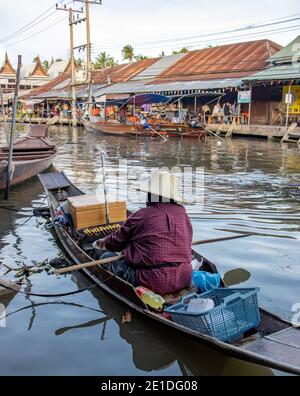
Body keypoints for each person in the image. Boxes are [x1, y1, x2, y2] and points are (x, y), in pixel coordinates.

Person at [93, 171, 193, 295]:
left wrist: (103, 242)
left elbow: (115, 244)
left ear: (151, 196)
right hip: (184, 276)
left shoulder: (143, 215)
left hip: (153, 281)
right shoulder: (182, 213)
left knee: (105, 258)